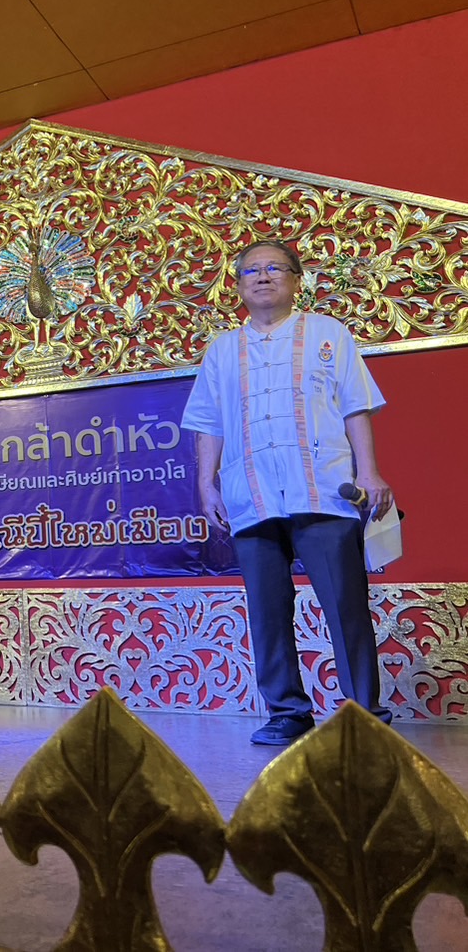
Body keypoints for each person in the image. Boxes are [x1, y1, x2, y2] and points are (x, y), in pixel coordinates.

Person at [181, 239, 394, 745]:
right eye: (251, 270)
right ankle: (287, 712)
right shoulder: (222, 350)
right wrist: (206, 484)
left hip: (322, 490)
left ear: (296, 280)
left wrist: (369, 472)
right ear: (238, 286)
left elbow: (355, 405)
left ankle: (363, 712)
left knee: (344, 603)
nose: (262, 276)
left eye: (275, 268)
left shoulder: (327, 333)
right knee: (267, 609)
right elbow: (208, 422)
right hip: (250, 493)